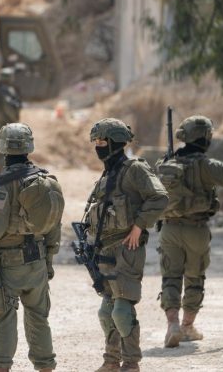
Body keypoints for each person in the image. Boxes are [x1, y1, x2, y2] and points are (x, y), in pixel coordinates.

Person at [0, 123, 62, 372]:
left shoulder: (4, 183)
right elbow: (54, 226)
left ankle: (2, 367)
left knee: (4, 319)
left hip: (9, 264)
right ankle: (45, 367)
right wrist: (48, 261)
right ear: (29, 147)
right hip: (37, 262)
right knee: (39, 319)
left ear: (2, 148)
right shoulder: (45, 181)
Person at [155, 115, 223, 348]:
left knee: (170, 277)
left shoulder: (165, 163)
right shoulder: (207, 165)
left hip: (169, 229)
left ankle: (172, 325)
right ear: (206, 137)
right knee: (195, 278)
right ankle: (187, 327)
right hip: (196, 230)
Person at [83, 118, 168, 372]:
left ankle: (131, 363)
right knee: (106, 311)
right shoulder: (108, 174)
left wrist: (139, 226)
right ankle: (111, 360)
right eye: (96, 142)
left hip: (127, 249)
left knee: (122, 310)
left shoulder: (135, 169)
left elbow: (159, 197)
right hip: (105, 250)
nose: (98, 146)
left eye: (102, 142)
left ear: (115, 143)